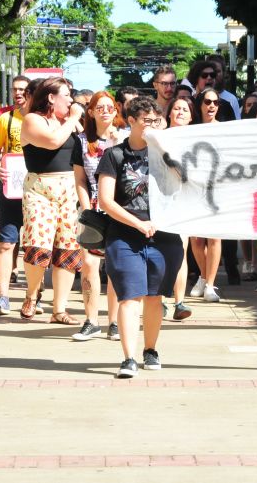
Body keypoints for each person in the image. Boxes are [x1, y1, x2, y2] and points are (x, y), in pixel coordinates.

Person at [96, 96, 183, 378]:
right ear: (131, 121)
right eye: (147, 121)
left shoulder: (168, 153)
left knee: (155, 297)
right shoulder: (114, 155)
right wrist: (137, 224)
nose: (153, 125)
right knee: (129, 297)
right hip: (124, 236)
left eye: (157, 120)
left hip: (164, 236)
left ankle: (151, 349)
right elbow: (107, 201)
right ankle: (128, 357)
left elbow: (189, 187)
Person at [18, 77, 84, 323]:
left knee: (67, 247)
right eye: (66, 95)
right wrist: (75, 119)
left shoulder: (69, 123)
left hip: (69, 188)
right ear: (50, 97)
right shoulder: (33, 120)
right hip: (40, 188)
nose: (70, 100)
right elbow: (53, 141)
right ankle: (32, 293)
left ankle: (60, 308)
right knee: (38, 243)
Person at [71, 91, 126, 340]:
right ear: (90, 112)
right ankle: (91, 320)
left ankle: (114, 321)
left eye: (109, 107)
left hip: (119, 208)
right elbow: (80, 179)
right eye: (99, 107)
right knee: (90, 265)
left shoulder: (125, 139)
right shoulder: (81, 141)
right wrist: (86, 210)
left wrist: (116, 142)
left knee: (115, 265)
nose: (105, 110)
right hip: (92, 206)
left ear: (116, 111)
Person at [0, 75, 30, 315]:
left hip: (37, 192)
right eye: (15, 90)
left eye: (23, 90)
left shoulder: (42, 120)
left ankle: (34, 296)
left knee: (36, 246)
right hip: (10, 188)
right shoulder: (6, 119)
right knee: (5, 243)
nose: (19, 94)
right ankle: (3, 297)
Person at [188, 88, 224, 302]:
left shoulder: (225, 129)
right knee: (196, 237)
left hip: (218, 188)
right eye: (208, 102)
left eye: (216, 102)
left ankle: (210, 284)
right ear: (200, 105)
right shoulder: (189, 130)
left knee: (214, 236)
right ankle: (203, 276)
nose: (212, 106)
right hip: (193, 188)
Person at [164, 94, 195, 320]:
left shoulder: (196, 142)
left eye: (185, 109)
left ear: (191, 116)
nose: (180, 112)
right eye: (176, 108)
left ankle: (179, 302)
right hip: (160, 202)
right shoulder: (158, 138)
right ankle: (161, 300)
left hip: (183, 202)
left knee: (180, 251)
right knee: (160, 252)